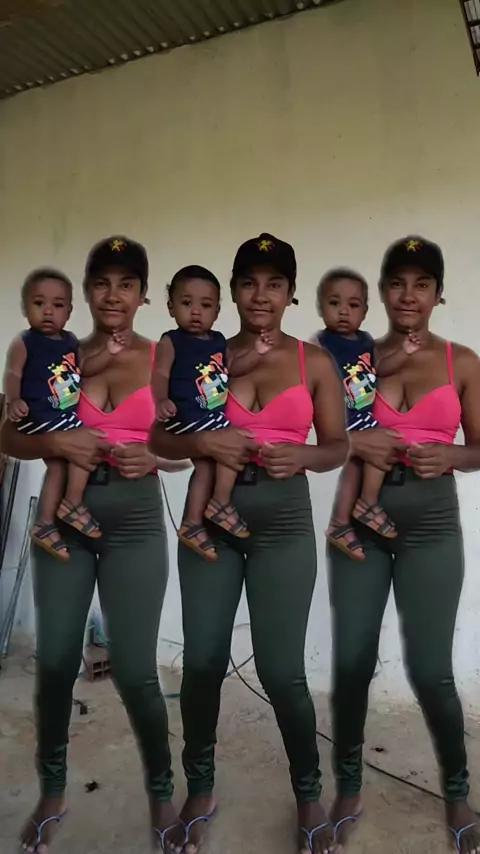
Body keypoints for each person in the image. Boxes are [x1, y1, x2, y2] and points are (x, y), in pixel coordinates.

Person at [150, 232, 348, 854]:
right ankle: (200, 788)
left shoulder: (315, 363)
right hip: (210, 524)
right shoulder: (202, 351)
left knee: (282, 672)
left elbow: (337, 445)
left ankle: (308, 793)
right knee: (203, 663)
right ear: (233, 290)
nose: (261, 295)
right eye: (248, 283)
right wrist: (200, 442)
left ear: (292, 293)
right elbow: (160, 438)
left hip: (282, 525)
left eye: (274, 284)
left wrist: (304, 456)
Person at [0, 236, 189, 854]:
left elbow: (195, 443)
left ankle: (161, 792)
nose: (113, 295)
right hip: (63, 523)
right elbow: (11, 436)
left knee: (135, 670)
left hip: (135, 523)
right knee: (57, 662)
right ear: (86, 292)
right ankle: (53, 791)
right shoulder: (58, 352)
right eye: (102, 283)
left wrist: (156, 457)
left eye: (126, 284)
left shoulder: (165, 357)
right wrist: (55, 442)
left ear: (142, 294)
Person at [328, 236, 480, 854]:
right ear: (383, 292)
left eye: (422, 284)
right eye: (397, 283)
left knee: (432, 670)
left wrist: (453, 456)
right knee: (352, 664)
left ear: (438, 294)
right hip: (361, 524)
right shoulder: (354, 355)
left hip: (432, 526)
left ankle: (457, 792)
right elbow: (318, 435)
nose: (408, 295)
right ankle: (347, 787)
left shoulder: (462, 362)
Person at [3, 267, 128, 561]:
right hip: (38, 414)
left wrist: (108, 351)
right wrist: (14, 400)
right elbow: (12, 373)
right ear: (24, 307)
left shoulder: (71, 342)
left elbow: (86, 368)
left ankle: (49, 520)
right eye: (39, 303)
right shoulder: (26, 342)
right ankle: (69, 505)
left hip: (62, 417)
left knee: (68, 461)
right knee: (81, 447)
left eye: (58, 305)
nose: (48, 311)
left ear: (69, 311)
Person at [152, 263, 274, 561]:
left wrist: (256, 353)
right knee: (218, 458)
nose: (196, 312)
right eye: (186, 303)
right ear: (171, 307)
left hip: (211, 416)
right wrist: (161, 401)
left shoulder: (219, 341)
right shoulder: (172, 341)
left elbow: (233, 369)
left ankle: (207, 513)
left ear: (217, 311)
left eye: (205, 306)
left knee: (226, 454)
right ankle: (208, 513)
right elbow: (160, 374)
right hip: (186, 414)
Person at [312, 268, 422, 561]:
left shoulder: (365, 342)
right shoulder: (321, 344)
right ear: (320, 308)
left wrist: (404, 352)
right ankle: (367, 504)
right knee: (378, 449)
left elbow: (380, 369)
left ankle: (342, 521)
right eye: (334, 303)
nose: (344, 311)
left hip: (365, 413)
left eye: (353, 305)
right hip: (343, 416)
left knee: (364, 461)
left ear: (364, 311)